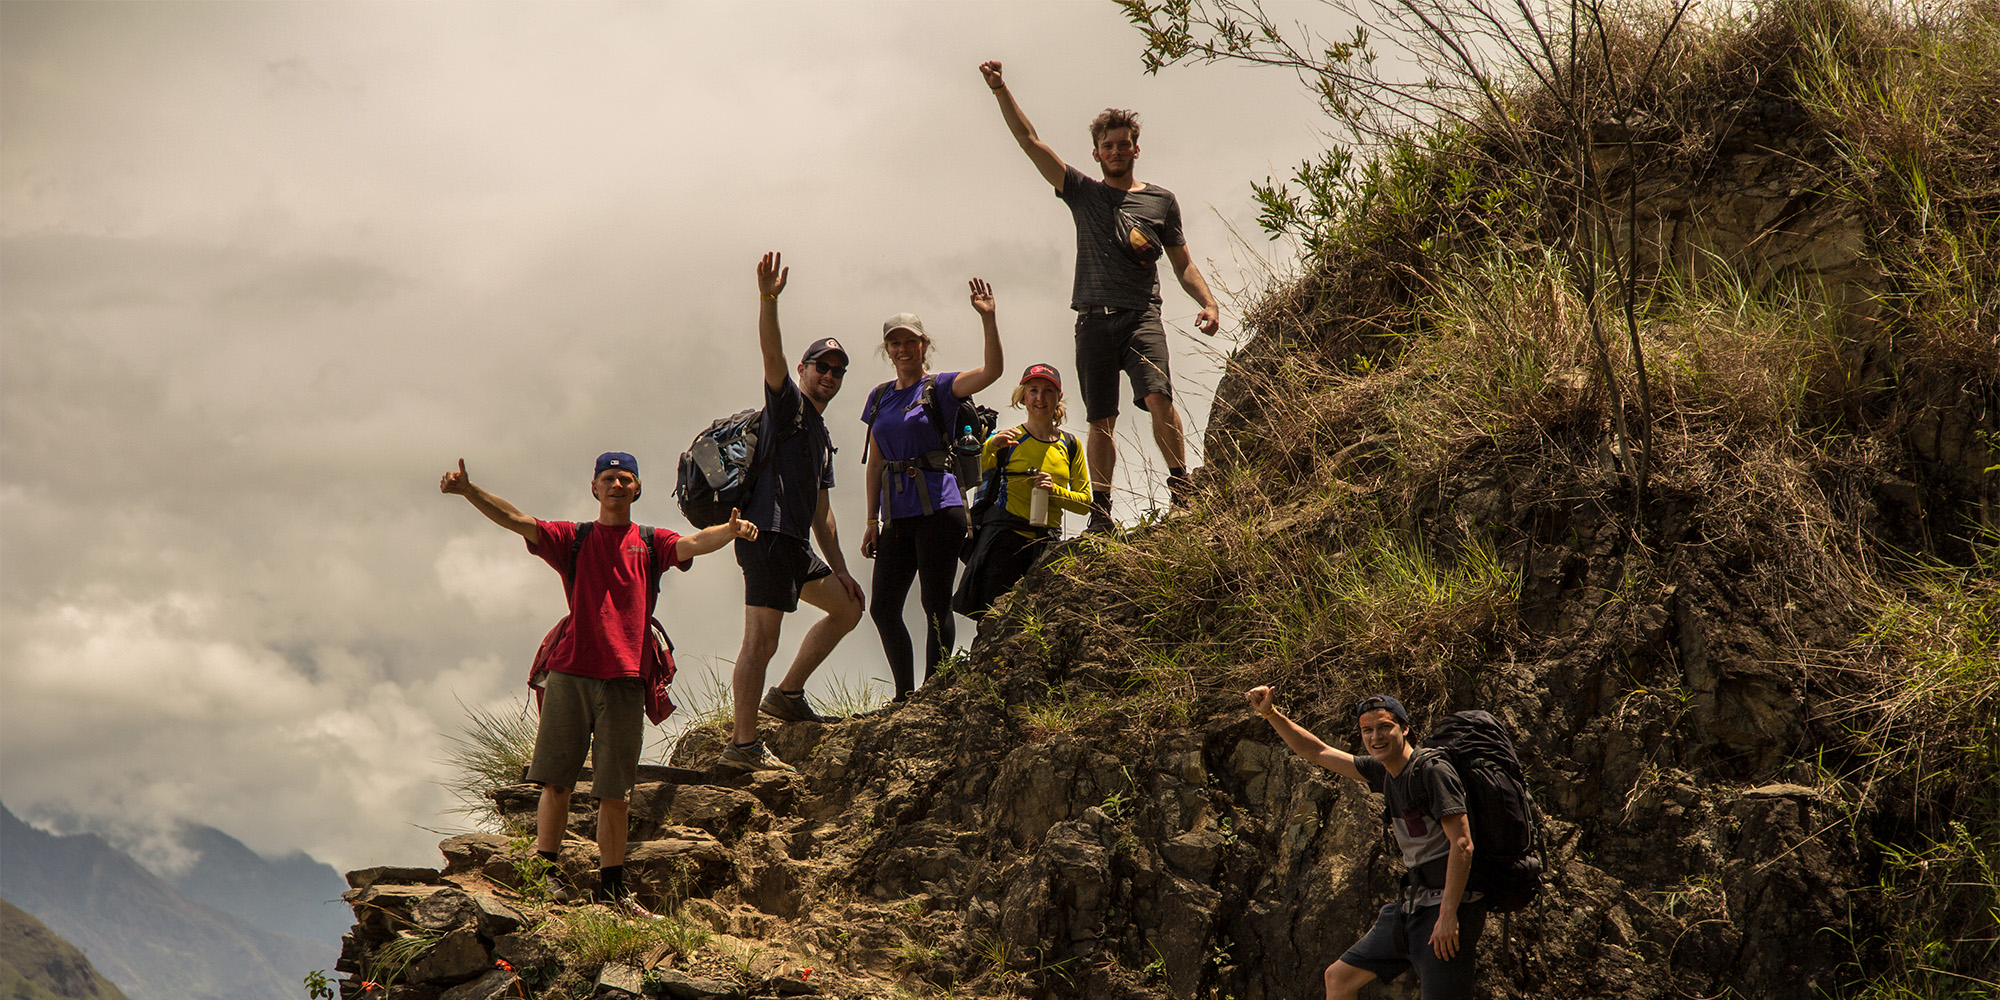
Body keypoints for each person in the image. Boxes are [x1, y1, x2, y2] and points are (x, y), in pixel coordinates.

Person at [439, 452, 755, 919]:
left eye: (625, 479)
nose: (617, 485)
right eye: (608, 478)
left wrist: (728, 532)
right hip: (571, 672)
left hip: (626, 678)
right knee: (556, 783)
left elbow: (691, 543)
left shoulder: (650, 541)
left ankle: (611, 891)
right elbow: (517, 520)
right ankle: (544, 876)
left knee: (615, 793)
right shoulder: (574, 538)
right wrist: (470, 491)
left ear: (637, 488)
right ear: (594, 487)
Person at [979, 59, 1222, 531]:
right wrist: (1001, 89)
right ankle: (1101, 512)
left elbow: (1183, 263)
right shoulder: (1083, 193)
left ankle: (1182, 488)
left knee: (1158, 396)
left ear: (1136, 149)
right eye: (1107, 145)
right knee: (1101, 418)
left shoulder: (1160, 201)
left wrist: (1208, 303)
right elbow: (1030, 142)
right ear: (1095, 153)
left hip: (1141, 316)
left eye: (1123, 144)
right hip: (1092, 319)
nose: (1116, 151)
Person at [1244, 686, 1484, 1000]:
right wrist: (1270, 714)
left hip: (1449, 908)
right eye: (1367, 730)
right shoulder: (1383, 772)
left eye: (1384, 727)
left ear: (1405, 728)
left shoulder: (1432, 770)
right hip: (1412, 906)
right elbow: (1317, 752)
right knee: (1338, 978)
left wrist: (1449, 915)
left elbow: (1462, 843)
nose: (1376, 737)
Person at [724, 251, 867, 773]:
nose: (829, 374)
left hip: (794, 544)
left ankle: (786, 695)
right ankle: (742, 746)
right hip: (765, 536)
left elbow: (822, 512)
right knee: (761, 641)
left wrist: (842, 570)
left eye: (837, 370)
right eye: (821, 366)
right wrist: (768, 300)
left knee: (848, 608)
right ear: (804, 370)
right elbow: (772, 356)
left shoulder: (822, 434)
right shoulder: (787, 407)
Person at [860, 279, 1006, 702]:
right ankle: (905, 695)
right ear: (887, 349)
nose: (903, 349)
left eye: (911, 341)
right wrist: (871, 520)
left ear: (924, 344)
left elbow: (992, 372)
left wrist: (988, 318)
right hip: (897, 513)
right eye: (895, 343)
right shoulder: (879, 397)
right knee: (883, 608)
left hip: (941, 507)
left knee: (935, 604)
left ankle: (933, 691)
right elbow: (875, 463)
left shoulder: (940, 387)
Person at [953, 364, 1091, 619]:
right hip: (1003, 541)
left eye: (1048, 391)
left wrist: (1054, 491)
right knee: (992, 621)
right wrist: (990, 447)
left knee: (1040, 622)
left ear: (1059, 397)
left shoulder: (1071, 445)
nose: (1040, 398)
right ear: (1023, 396)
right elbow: (967, 477)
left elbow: (1085, 504)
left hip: (1046, 543)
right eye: (1033, 390)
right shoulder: (1006, 438)